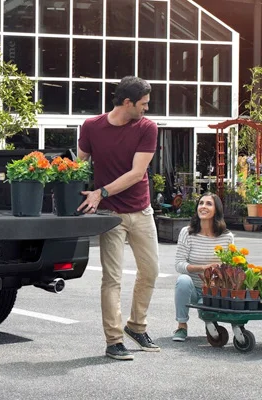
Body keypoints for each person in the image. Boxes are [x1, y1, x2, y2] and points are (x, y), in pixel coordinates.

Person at [77, 76, 160, 361]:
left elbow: (138, 173)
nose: (147, 109)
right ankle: (114, 340)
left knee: (150, 272)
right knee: (112, 279)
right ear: (127, 103)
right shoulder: (91, 127)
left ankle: (136, 325)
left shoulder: (147, 128)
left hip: (141, 210)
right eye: (144, 104)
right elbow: (79, 162)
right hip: (110, 215)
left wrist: (100, 191)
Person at [172, 193, 234, 342]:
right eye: (201, 203)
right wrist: (203, 268)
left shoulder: (227, 237)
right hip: (192, 288)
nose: (203, 207)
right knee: (183, 280)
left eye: (208, 204)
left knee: (207, 311)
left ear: (216, 210)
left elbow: (231, 267)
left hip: (213, 291)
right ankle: (181, 326)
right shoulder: (187, 233)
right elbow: (179, 264)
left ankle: (211, 322)